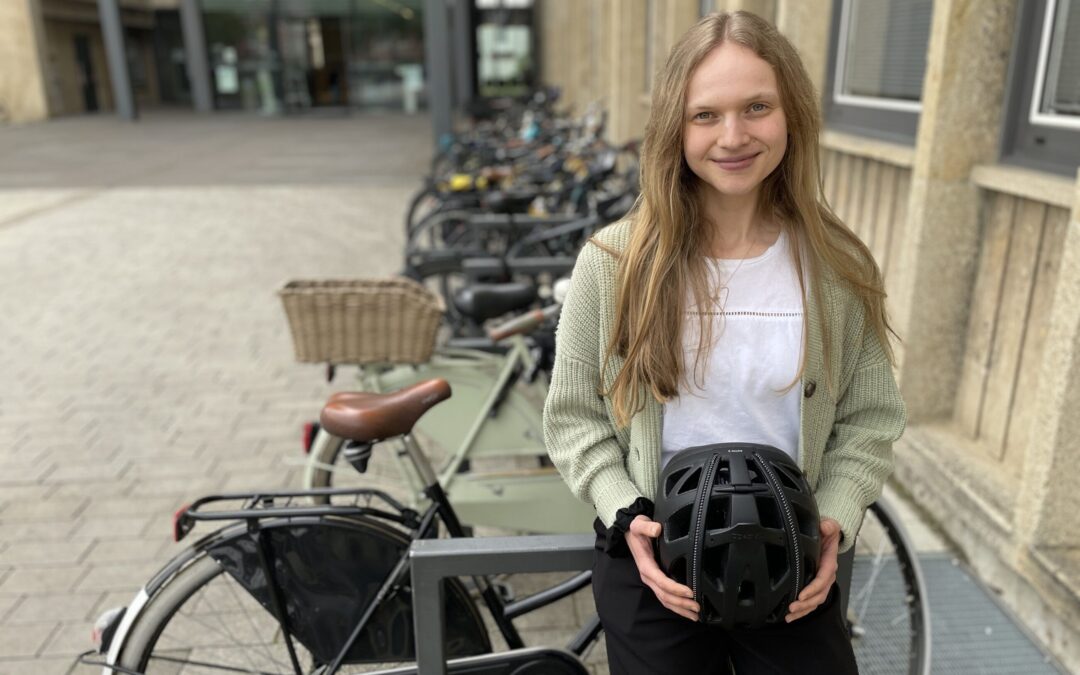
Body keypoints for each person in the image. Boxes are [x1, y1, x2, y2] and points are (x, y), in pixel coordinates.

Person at [542, 11, 906, 675]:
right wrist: (622, 510)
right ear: (674, 128)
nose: (732, 136)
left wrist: (837, 513)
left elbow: (869, 416)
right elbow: (574, 417)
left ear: (790, 113)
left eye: (757, 107)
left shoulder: (838, 267)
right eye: (705, 114)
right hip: (657, 573)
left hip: (789, 561)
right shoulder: (615, 263)